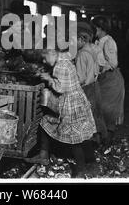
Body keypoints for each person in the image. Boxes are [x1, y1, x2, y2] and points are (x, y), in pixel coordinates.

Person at [25, 48, 97, 177]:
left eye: (44, 58)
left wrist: (48, 78)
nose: (43, 60)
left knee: (74, 140)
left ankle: (81, 171)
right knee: (46, 122)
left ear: (52, 53)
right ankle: (44, 155)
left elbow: (60, 88)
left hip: (70, 105)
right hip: (77, 102)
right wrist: (50, 75)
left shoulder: (60, 66)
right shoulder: (65, 61)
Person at [91, 16, 125, 143]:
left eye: (94, 28)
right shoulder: (97, 42)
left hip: (111, 80)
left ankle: (107, 141)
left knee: (107, 110)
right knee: (99, 109)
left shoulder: (109, 42)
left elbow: (113, 64)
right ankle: (102, 139)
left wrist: (98, 67)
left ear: (99, 29)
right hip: (102, 80)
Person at [75, 22, 108, 144]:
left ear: (80, 39)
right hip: (95, 86)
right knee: (97, 115)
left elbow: (81, 79)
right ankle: (102, 140)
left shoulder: (81, 55)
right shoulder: (94, 49)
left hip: (86, 89)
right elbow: (101, 66)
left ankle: (90, 145)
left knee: (86, 117)